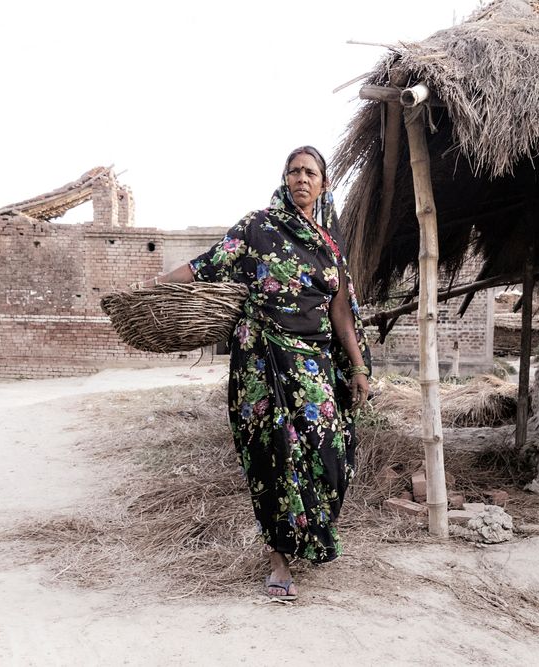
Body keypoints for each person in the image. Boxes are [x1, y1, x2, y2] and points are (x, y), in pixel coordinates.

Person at [140, 146, 371, 601]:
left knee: (330, 454)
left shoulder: (329, 247)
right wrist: (154, 285)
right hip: (261, 360)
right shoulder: (257, 227)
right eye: (294, 171)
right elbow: (205, 264)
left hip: (313, 361)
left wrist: (359, 366)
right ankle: (279, 560)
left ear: (323, 185)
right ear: (284, 179)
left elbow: (341, 311)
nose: (302, 178)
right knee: (273, 457)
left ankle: (307, 533)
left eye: (311, 172)